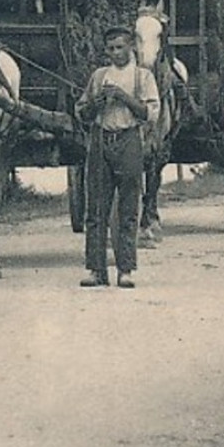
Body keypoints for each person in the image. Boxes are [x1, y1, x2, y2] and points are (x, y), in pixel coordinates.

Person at [74, 24, 160, 288]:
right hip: (100, 141)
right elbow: (81, 112)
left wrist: (124, 97)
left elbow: (150, 114)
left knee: (128, 207)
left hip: (129, 141)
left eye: (120, 47)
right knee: (96, 208)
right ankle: (96, 270)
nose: (115, 53)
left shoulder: (142, 77)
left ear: (131, 46)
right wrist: (95, 104)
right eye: (110, 48)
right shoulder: (99, 76)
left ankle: (125, 269)